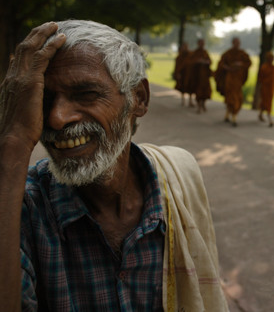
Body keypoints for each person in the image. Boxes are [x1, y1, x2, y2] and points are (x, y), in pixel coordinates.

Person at [0, 20, 229, 311]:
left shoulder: (176, 182)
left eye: (86, 94)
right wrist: (12, 145)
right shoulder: (21, 207)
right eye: (44, 100)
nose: (57, 118)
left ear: (139, 98)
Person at [215, 37, 252, 127]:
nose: (237, 44)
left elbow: (249, 63)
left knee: (237, 97)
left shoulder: (242, 54)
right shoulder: (227, 54)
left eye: (238, 43)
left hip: (238, 79)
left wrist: (240, 64)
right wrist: (227, 68)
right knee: (229, 97)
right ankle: (231, 116)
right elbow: (221, 64)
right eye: (235, 42)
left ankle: (232, 115)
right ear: (232, 43)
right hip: (229, 78)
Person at [188, 38, 212, 113]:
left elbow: (210, 61)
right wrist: (197, 61)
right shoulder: (194, 53)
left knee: (206, 91)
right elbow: (190, 62)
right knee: (198, 92)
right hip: (197, 76)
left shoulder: (205, 52)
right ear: (198, 44)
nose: (202, 44)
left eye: (203, 43)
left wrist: (206, 62)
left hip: (205, 76)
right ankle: (199, 106)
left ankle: (203, 104)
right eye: (201, 43)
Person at [257, 51, 274, 127]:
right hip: (265, 87)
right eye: (270, 58)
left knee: (267, 102)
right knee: (265, 102)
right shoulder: (264, 67)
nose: (272, 60)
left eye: (272, 58)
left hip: (271, 88)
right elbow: (261, 77)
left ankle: (260, 114)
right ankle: (270, 119)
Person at [173, 42, 192, 106]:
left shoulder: (190, 55)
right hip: (182, 74)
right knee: (182, 88)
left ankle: (190, 101)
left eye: (186, 46)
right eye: (184, 46)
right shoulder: (179, 57)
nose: (185, 48)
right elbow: (177, 66)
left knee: (190, 87)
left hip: (189, 74)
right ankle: (183, 100)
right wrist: (177, 73)